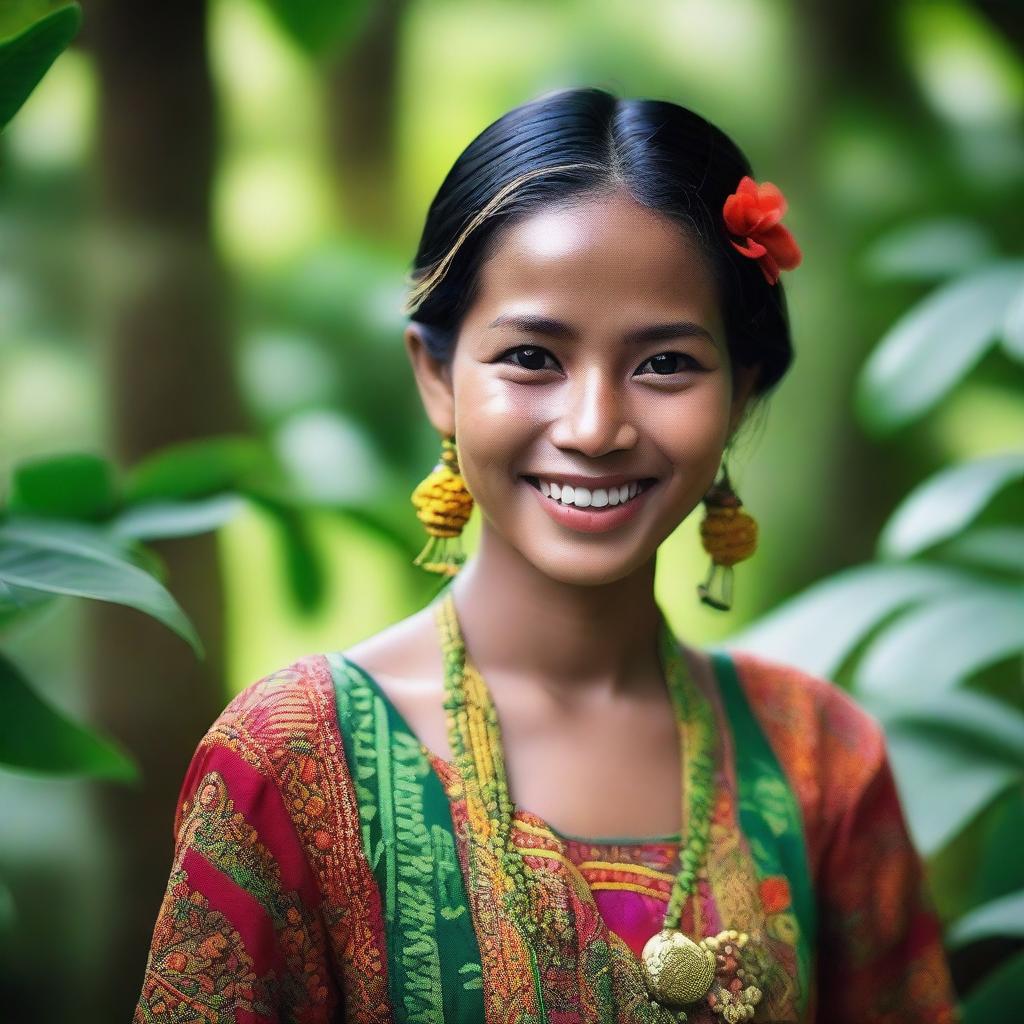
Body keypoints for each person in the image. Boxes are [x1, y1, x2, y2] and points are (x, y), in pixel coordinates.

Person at [133, 88, 961, 1024]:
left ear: (741, 395)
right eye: (531, 357)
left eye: (665, 365)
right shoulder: (290, 760)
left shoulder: (820, 761)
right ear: (436, 376)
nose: (596, 426)